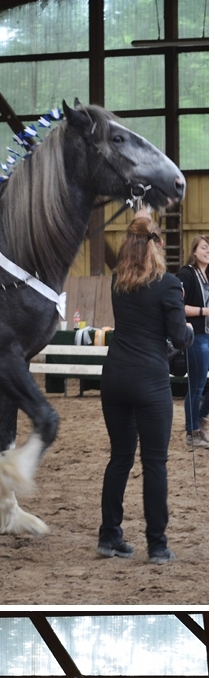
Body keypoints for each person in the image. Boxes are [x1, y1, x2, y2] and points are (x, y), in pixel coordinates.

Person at [96, 212, 194, 565]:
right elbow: (179, 336)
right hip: (150, 380)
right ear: (154, 243)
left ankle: (109, 536)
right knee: (155, 463)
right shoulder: (168, 284)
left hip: (115, 377)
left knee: (119, 457)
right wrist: (191, 331)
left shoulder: (117, 281)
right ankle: (157, 544)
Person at [176, 234, 209, 447]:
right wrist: (205, 311)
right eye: (205, 247)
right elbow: (178, 305)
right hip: (196, 335)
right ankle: (192, 432)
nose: (208, 251)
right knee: (196, 386)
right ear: (194, 251)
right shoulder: (187, 274)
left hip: (207, 334)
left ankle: (200, 417)